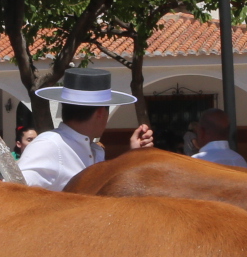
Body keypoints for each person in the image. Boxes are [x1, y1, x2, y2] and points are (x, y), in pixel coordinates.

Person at [17, 68, 154, 190]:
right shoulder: (50, 145)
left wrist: (132, 155)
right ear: (101, 113)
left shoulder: (94, 150)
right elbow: (12, 190)